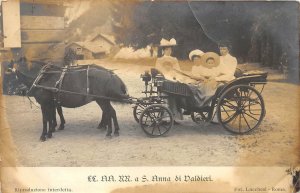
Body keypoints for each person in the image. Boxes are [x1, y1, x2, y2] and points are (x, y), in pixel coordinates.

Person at [155, 38, 183, 121]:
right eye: (167, 50)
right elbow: (158, 70)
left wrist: (176, 77)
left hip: (173, 80)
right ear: (163, 50)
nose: (169, 51)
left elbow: (178, 70)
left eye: (170, 50)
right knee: (165, 98)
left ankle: (174, 118)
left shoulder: (174, 59)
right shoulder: (160, 60)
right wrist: (165, 76)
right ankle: (164, 118)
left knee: (174, 97)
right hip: (164, 80)